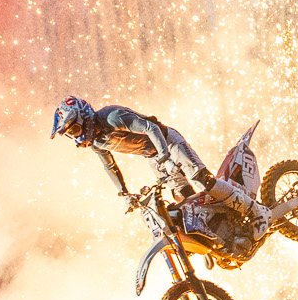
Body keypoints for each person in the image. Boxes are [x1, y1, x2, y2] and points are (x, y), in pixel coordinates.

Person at [50, 96, 259, 241]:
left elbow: (151, 128)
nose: (75, 137)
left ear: (84, 116)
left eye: (74, 129)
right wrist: (123, 193)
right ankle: (224, 229)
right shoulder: (96, 142)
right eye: (70, 134)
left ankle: (256, 211)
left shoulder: (111, 117)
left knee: (200, 179)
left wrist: (166, 157)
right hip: (153, 156)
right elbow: (110, 166)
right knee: (184, 200)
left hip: (167, 142)